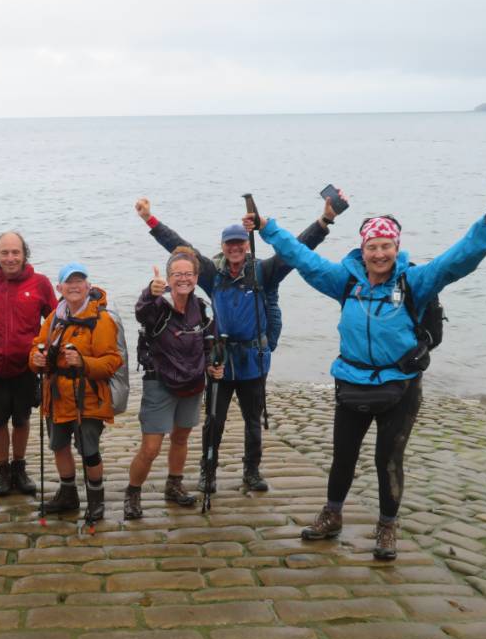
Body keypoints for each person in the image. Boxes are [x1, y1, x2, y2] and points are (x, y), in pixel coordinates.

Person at [245, 199, 486, 560]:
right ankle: (332, 514)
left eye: (386, 246)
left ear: (397, 248)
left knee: (387, 460)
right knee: (343, 456)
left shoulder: (415, 282)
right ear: (362, 249)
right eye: (372, 247)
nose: (379, 254)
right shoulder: (344, 281)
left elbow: (456, 261)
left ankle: (387, 526)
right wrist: (267, 227)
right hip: (352, 381)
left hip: (400, 387)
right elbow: (301, 259)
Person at [135, 196, 340, 493]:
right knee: (213, 421)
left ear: (246, 245)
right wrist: (149, 219)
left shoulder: (264, 272)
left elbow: (297, 249)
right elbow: (178, 246)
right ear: (222, 246)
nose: (234, 248)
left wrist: (324, 222)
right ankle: (208, 472)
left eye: (239, 243)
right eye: (229, 244)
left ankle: (252, 471)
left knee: (252, 420)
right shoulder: (209, 273)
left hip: (253, 358)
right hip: (218, 358)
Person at [124, 248, 222, 519]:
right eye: (177, 274)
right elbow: (141, 312)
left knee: (181, 438)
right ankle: (132, 492)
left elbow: (210, 344)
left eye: (188, 274)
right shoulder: (157, 305)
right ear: (167, 277)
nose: (183, 279)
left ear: (196, 277)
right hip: (160, 383)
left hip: (192, 385)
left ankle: (174, 484)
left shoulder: (202, 308)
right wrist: (150, 292)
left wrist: (214, 365)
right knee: (151, 448)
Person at [29, 263, 122, 525]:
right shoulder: (54, 318)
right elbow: (36, 348)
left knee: (89, 451)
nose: (74, 286)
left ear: (88, 286)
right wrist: (35, 359)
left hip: (88, 397)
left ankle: (96, 501)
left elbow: (113, 361)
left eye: (79, 281)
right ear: (59, 288)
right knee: (58, 446)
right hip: (56, 397)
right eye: (68, 282)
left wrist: (83, 363)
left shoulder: (101, 320)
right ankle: (68, 495)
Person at [0, 231, 58, 497]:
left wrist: (46, 355)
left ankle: (19, 467)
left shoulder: (40, 283)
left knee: (22, 419)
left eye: (15, 252)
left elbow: (55, 321)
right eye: (4, 252)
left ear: (24, 254)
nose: (10, 258)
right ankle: (3, 471)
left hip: (27, 366)